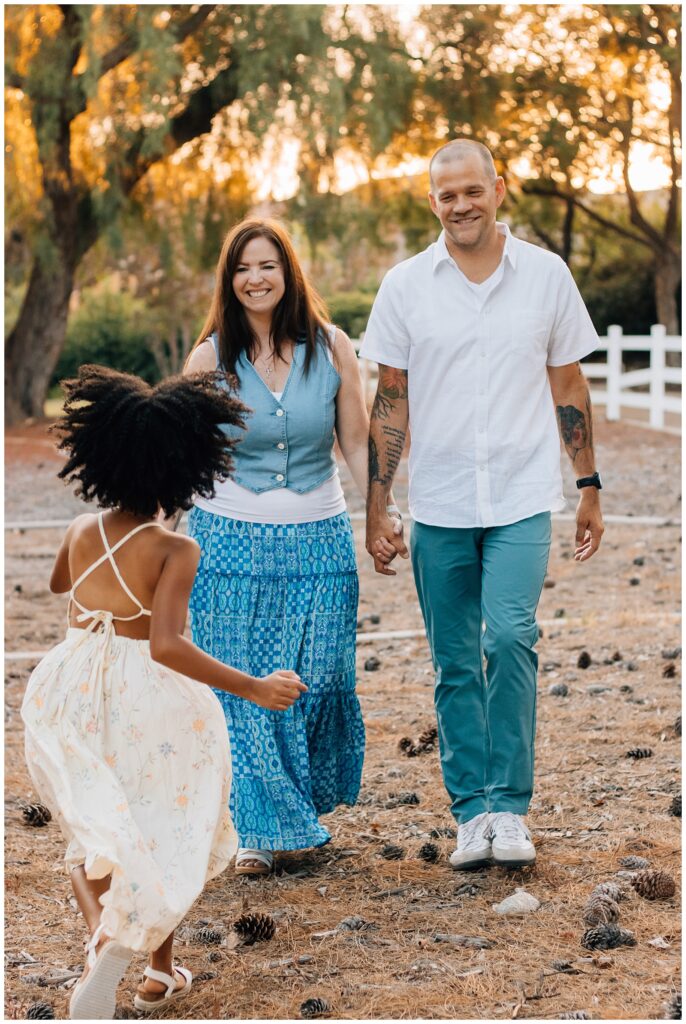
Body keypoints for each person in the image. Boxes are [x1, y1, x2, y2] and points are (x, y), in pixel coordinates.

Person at [21, 365, 306, 1020]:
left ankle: (128, 953)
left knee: (98, 829)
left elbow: (60, 587)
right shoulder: (174, 549)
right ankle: (137, 959)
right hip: (147, 694)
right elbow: (167, 645)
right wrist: (255, 687)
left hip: (74, 688)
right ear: (187, 470)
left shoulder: (78, 532)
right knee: (162, 826)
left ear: (101, 458)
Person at [362, 139, 603, 870]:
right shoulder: (405, 286)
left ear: (499, 188)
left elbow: (568, 387)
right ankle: (472, 813)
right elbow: (390, 402)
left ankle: (512, 805)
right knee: (454, 662)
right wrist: (377, 506)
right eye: (446, 194)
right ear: (430, 201)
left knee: (509, 639)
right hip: (437, 503)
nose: (461, 204)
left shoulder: (546, 276)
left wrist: (588, 484)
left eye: (473, 190)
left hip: (523, 496)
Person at [184, 217, 402, 876]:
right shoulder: (207, 359)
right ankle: (258, 830)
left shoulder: (331, 346)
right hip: (227, 543)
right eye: (243, 268)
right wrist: (155, 534)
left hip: (319, 540)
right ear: (230, 281)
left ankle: (295, 807)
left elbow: (358, 443)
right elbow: (181, 459)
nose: (255, 278)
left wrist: (379, 515)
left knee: (319, 678)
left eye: (267, 266)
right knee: (244, 687)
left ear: (288, 273)